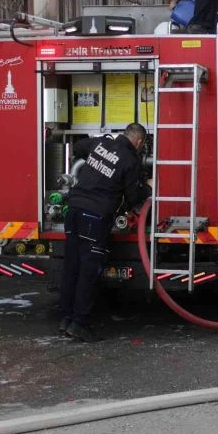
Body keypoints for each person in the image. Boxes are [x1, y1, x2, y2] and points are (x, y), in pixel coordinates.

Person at [59, 123, 150, 342]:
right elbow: (132, 197)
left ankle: (66, 318)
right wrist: (147, 190)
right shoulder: (131, 160)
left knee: (72, 265)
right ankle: (79, 323)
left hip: (73, 209)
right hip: (95, 215)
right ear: (139, 143)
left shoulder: (101, 142)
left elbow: (79, 147)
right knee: (88, 270)